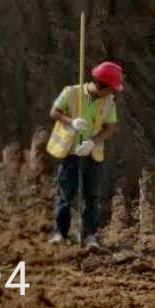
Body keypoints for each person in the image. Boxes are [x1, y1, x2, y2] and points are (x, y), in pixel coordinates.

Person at [46, 60, 123, 248]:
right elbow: (54, 112)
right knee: (65, 194)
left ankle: (90, 236)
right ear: (100, 85)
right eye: (111, 88)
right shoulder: (71, 92)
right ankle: (60, 233)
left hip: (92, 154)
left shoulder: (109, 101)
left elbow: (112, 128)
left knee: (92, 196)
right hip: (70, 152)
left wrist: (92, 142)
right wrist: (71, 122)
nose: (114, 92)